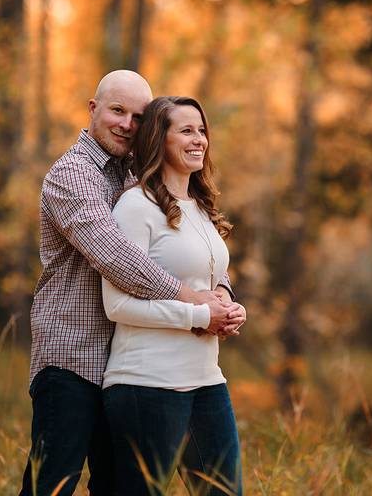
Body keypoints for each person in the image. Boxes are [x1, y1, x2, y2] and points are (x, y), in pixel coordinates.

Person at [19, 71, 245, 496]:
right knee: (53, 482)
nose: (127, 124)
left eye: (138, 117)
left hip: (121, 360)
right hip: (71, 353)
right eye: (117, 111)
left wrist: (223, 294)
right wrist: (197, 304)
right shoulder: (72, 174)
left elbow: (194, 250)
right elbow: (118, 259)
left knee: (112, 486)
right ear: (93, 109)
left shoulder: (137, 175)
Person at [102, 96, 245, 496]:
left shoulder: (200, 207)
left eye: (201, 130)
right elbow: (117, 305)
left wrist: (229, 305)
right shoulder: (135, 207)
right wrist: (201, 317)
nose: (198, 139)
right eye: (186, 130)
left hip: (206, 380)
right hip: (146, 384)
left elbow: (210, 278)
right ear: (158, 140)